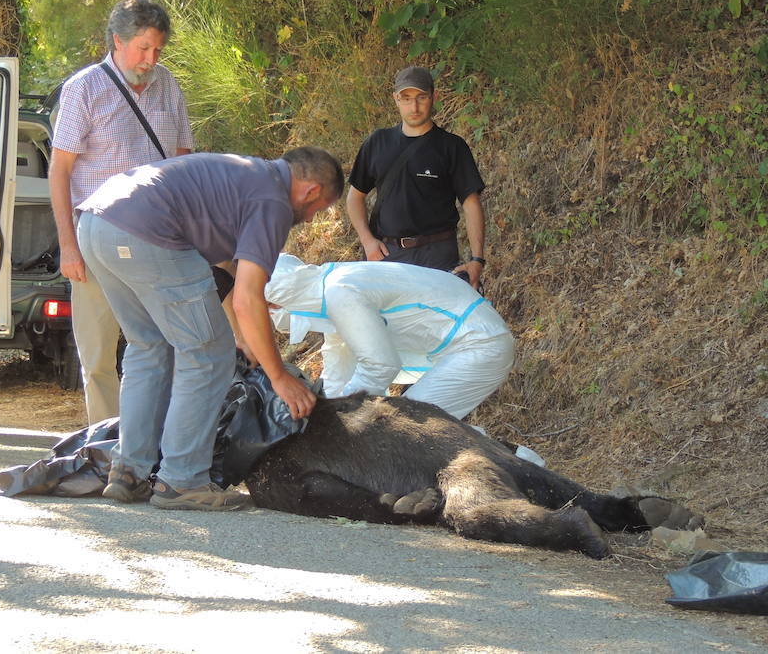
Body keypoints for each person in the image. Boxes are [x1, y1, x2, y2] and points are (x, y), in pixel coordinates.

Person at [76, 147, 343, 510]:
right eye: (318, 209)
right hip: (145, 233)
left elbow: (229, 268)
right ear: (311, 190)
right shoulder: (274, 201)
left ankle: (129, 471)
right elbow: (245, 301)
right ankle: (182, 480)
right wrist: (279, 376)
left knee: (148, 345)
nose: (310, 220)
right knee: (209, 354)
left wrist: (250, 300)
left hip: (97, 223)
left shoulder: (247, 175)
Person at [50, 0, 194, 426]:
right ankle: (106, 443)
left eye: (158, 50)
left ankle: (154, 440)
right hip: (96, 237)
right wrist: (67, 246)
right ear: (118, 40)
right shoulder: (84, 88)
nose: (151, 60)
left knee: (160, 346)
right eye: (143, 48)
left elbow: (185, 161)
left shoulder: (168, 85)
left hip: (159, 239)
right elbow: (60, 171)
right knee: (97, 354)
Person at [264, 254, 515, 421]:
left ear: (277, 302)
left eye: (267, 309)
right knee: (425, 429)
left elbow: (380, 366)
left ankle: (524, 469)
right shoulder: (330, 289)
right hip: (459, 344)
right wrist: (324, 411)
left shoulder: (340, 293)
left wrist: (341, 416)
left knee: (411, 427)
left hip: (478, 342)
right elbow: (339, 363)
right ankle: (517, 463)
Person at [346, 65, 487, 290]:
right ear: (396, 99)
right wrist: (367, 241)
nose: (414, 107)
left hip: (438, 257)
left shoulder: (452, 147)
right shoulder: (378, 143)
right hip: (387, 257)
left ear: (434, 97)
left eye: (421, 97)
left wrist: (477, 260)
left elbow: (471, 205)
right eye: (406, 98)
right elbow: (354, 197)